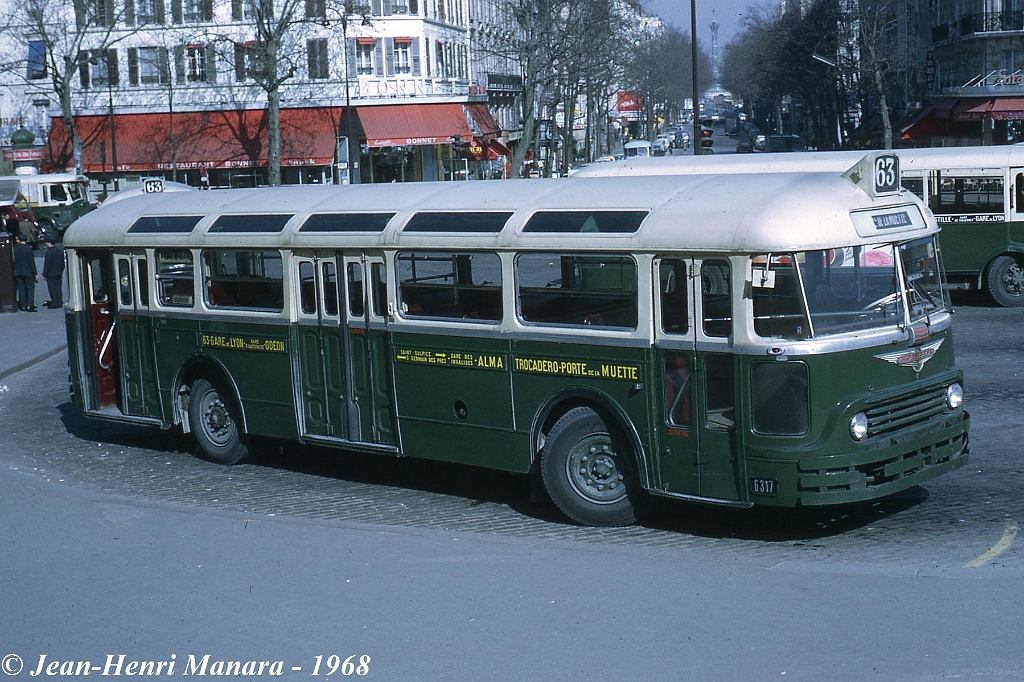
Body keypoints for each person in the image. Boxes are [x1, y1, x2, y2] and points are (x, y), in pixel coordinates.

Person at [13, 232, 38, 312]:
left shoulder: (15, 249)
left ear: (19, 240)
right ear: (26, 240)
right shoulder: (28, 249)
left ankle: (23, 305)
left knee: (21, 289)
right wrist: (35, 273)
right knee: (30, 289)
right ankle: (30, 305)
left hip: (18, 272)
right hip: (28, 272)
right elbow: (31, 262)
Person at [42, 239, 65, 308]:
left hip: (50, 274)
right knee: (58, 288)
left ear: (49, 243)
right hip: (58, 272)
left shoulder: (49, 253)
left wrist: (45, 274)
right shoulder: (60, 251)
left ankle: (55, 303)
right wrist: (61, 271)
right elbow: (62, 263)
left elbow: (47, 265)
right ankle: (59, 302)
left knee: (52, 289)